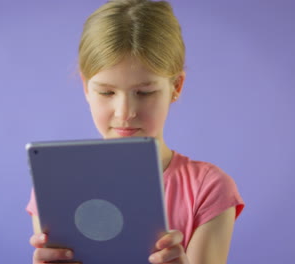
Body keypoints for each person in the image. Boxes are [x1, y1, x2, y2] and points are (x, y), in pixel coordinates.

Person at [26, 0, 245, 263]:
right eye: (107, 92)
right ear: (86, 87)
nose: (125, 112)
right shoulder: (55, 185)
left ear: (176, 86)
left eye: (144, 93)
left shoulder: (208, 189)